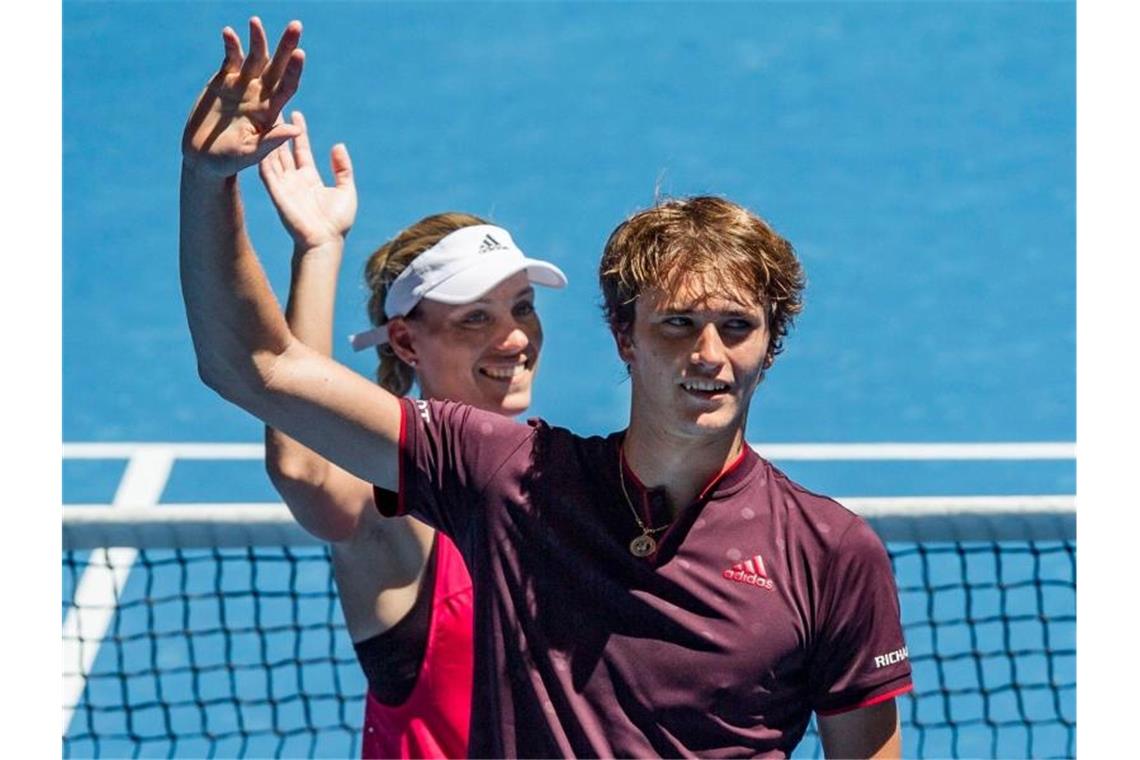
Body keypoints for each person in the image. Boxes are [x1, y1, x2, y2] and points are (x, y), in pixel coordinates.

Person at [180, 18, 912, 758]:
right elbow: (257, 368)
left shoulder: (832, 553)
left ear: (771, 345)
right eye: (678, 323)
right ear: (625, 337)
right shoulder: (505, 480)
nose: (709, 354)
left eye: (736, 326)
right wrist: (210, 186)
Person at [254, 97, 565, 757]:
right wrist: (318, 249)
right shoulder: (392, 512)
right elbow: (303, 468)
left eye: (522, 307)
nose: (514, 338)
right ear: (405, 341)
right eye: (474, 318)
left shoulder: (570, 479)